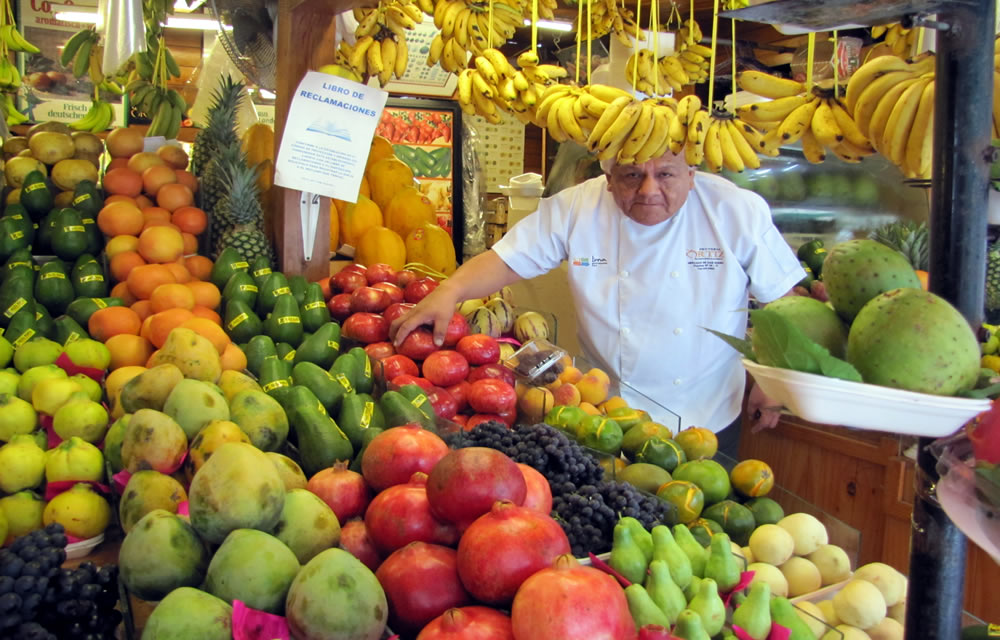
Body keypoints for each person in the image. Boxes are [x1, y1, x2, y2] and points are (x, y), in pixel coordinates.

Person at [390, 150, 805, 460]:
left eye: (665, 174)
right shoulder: (577, 207)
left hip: (708, 417)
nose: (649, 189)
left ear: (692, 174)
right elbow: (507, 258)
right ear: (607, 177)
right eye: (631, 175)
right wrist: (450, 291)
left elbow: (786, 303)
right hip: (603, 416)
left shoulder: (735, 209)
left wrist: (774, 379)